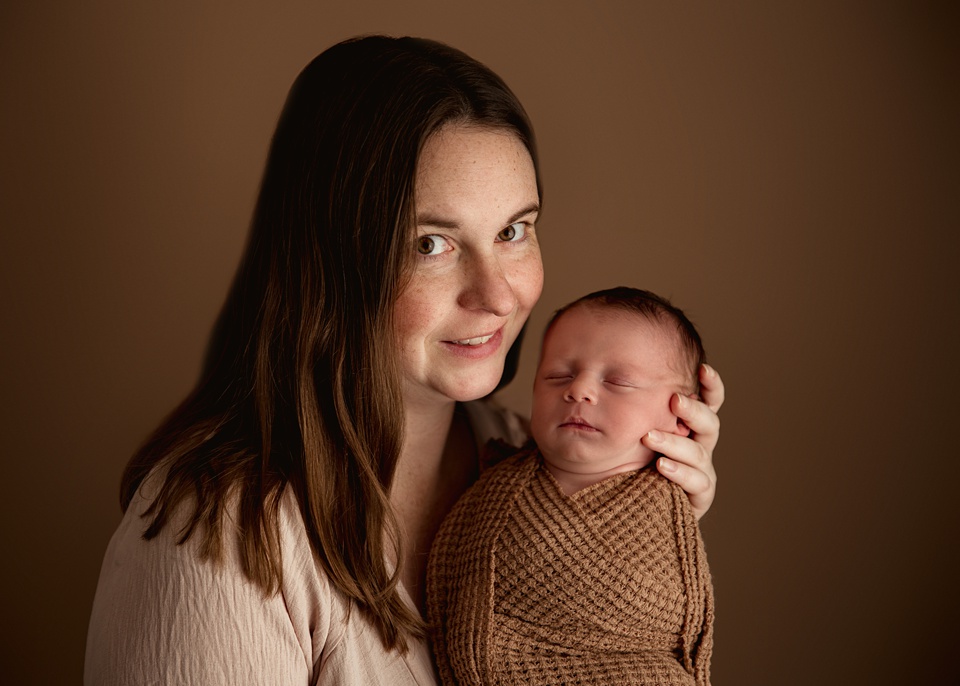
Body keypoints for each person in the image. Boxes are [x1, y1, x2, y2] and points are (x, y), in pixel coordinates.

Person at [84, 36, 724, 686]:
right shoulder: (217, 537)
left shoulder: (517, 454)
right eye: (432, 243)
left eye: (512, 231)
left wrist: (640, 522)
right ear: (332, 262)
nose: (498, 294)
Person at [428, 287, 714, 685]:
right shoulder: (499, 473)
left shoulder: (667, 507)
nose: (578, 390)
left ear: (682, 418)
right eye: (557, 375)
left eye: (619, 382)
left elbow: (658, 623)